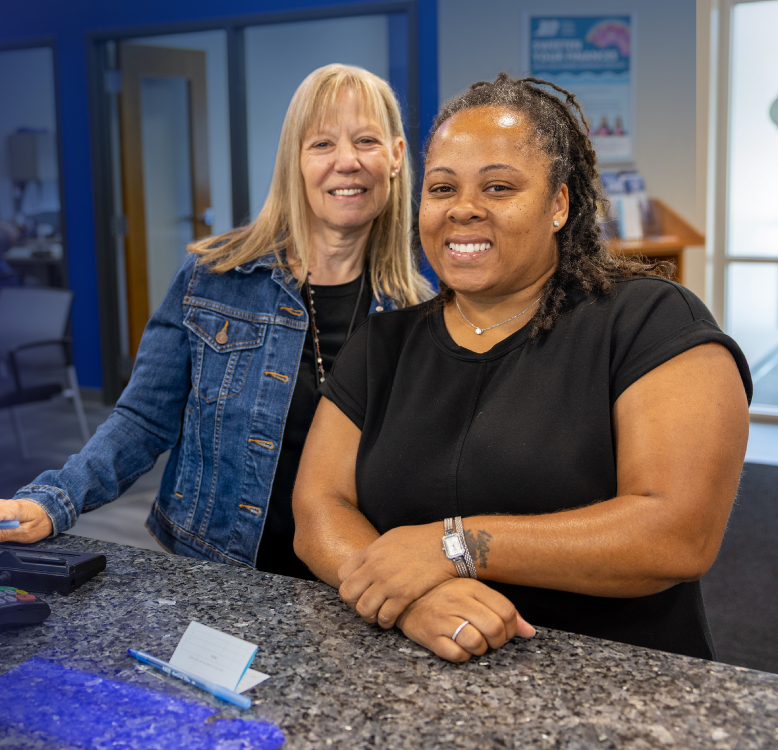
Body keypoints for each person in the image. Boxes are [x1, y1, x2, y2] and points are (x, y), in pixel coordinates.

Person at [294, 74, 751, 662]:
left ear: (559, 203)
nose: (463, 209)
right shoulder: (384, 343)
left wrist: (453, 546)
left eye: (499, 187)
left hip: (617, 684)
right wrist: (409, 600)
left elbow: (676, 534)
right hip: (413, 678)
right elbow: (319, 510)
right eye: (441, 188)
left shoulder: (650, 321)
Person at [0, 64, 434, 579]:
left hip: (353, 580)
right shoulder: (215, 275)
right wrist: (52, 502)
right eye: (321, 144)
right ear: (295, 160)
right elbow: (142, 421)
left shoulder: (417, 314)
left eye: (365, 140)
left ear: (397, 157)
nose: (346, 162)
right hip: (218, 570)